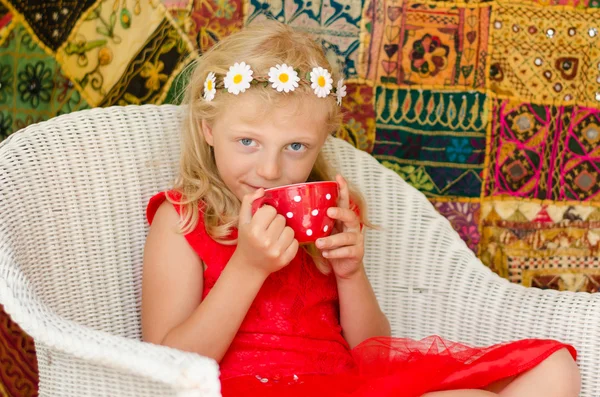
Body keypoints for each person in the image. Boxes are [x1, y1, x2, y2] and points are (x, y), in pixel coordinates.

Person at [141, 21, 580, 397]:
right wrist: (248, 267)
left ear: (320, 143)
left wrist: (351, 273)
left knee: (555, 368)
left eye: (296, 147)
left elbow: (371, 347)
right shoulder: (182, 217)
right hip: (248, 386)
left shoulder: (326, 213)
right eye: (247, 142)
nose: (271, 169)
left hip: (345, 383)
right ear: (208, 129)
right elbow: (165, 366)